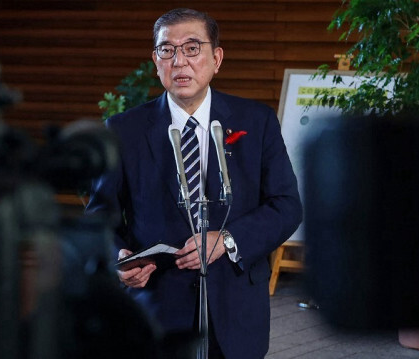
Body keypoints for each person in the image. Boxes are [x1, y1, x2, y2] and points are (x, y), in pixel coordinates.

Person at [86, 8, 302, 359]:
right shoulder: (124, 130)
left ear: (216, 58)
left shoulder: (256, 121)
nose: (179, 61)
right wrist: (120, 258)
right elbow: (99, 217)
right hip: (157, 306)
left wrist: (228, 239)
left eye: (191, 48)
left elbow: (286, 205)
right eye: (167, 50)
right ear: (156, 61)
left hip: (235, 303)